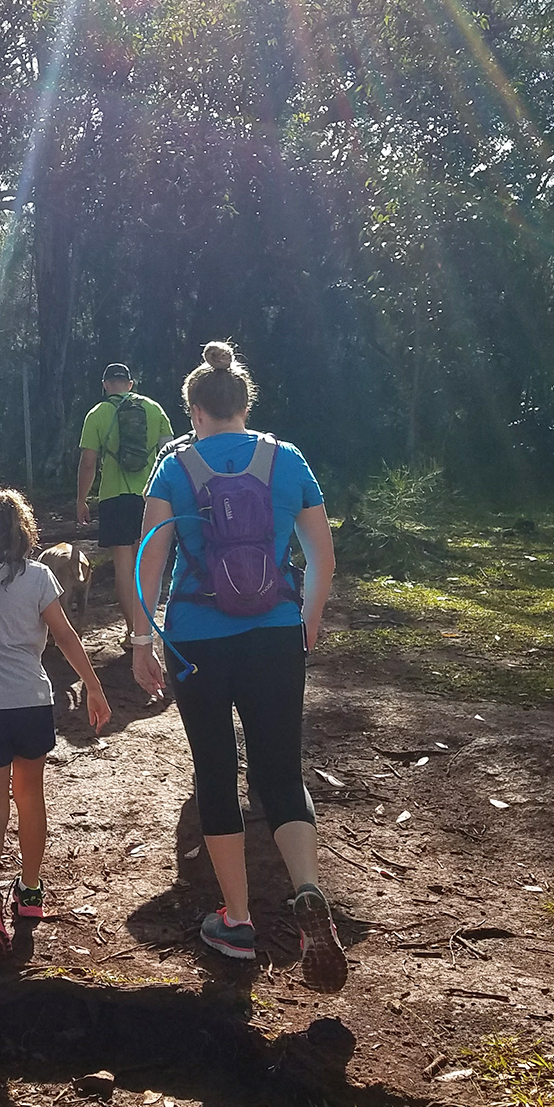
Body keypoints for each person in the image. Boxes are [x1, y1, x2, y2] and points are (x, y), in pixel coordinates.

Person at [130, 341, 346, 993]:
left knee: (216, 772)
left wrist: (145, 637)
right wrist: (307, 613)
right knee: (280, 772)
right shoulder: (289, 459)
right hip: (277, 631)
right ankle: (306, 891)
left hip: (198, 636)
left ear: (194, 409)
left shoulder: (174, 467)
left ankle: (238, 918)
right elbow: (322, 554)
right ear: (244, 404)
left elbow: (151, 559)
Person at [0, 489, 111, 962]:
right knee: (29, 799)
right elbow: (65, 635)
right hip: (29, 703)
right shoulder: (38, 577)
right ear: (25, 534)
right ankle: (30, 893)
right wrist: (93, 687)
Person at [77, 364, 173, 635]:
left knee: (124, 566)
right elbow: (169, 454)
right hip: (152, 497)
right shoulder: (154, 409)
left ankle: (134, 631)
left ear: (105, 384)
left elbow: (88, 462)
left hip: (114, 496)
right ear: (130, 384)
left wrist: (81, 499)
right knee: (149, 563)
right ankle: (148, 624)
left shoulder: (97, 413)